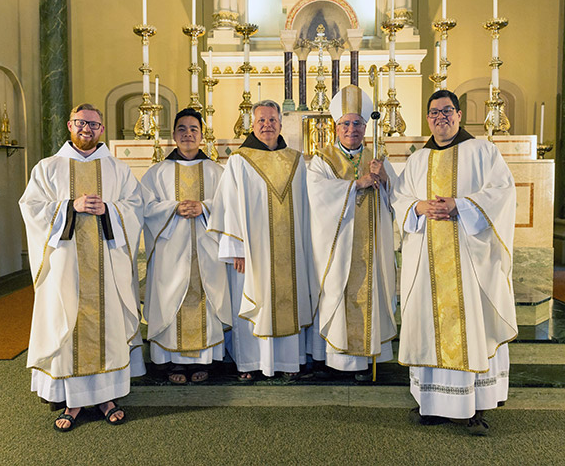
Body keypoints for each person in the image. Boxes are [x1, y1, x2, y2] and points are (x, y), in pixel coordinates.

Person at [391, 90, 517, 435]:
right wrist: (418, 208)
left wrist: (460, 205)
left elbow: (503, 193)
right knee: (428, 324)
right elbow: (400, 199)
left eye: (447, 111)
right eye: (434, 113)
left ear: (459, 115)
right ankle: (432, 404)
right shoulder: (418, 160)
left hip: (468, 260)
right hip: (427, 260)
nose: (440, 117)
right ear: (428, 118)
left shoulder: (482, 152)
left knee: (469, 325)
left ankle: (473, 407)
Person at [19, 103, 145, 432]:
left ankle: (106, 397)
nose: (87, 128)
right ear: (69, 125)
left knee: (106, 326)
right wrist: (68, 208)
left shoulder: (117, 169)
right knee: (68, 324)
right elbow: (31, 208)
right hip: (65, 268)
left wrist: (111, 209)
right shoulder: (47, 168)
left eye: (94, 124)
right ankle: (72, 401)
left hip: (106, 267)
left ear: (102, 129)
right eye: (80, 122)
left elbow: (135, 206)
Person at [207, 99, 315, 381]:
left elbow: (307, 206)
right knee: (254, 299)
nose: (267, 125)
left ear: (281, 123)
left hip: (291, 250)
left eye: (272, 120)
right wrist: (236, 249)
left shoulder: (296, 159)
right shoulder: (239, 160)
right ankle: (251, 364)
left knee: (287, 300)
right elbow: (229, 205)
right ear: (252, 126)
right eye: (261, 121)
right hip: (252, 252)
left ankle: (289, 363)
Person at [307, 85, 397, 380]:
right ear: (336, 126)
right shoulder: (323, 158)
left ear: (365, 126)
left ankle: (366, 358)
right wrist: (353, 185)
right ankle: (335, 360)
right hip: (337, 245)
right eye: (345, 123)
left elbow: (398, 196)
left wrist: (383, 179)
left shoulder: (377, 156)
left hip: (369, 244)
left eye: (357, 123)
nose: (351, 129)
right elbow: (315, 194)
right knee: (335, 291)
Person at [141, 108, 231, 384]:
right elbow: (144, 207)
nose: (188, 134)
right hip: (171, 253)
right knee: (170, 299)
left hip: (207, 251)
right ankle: (171, 363)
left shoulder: (218, 172)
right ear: (174, 136)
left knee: (206, 299)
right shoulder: (156, 173)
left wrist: (204, 208)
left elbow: (230, 207)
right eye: (182, 129)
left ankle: (204, 361)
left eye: (194, 129)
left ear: (203, 136)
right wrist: (173, 208)